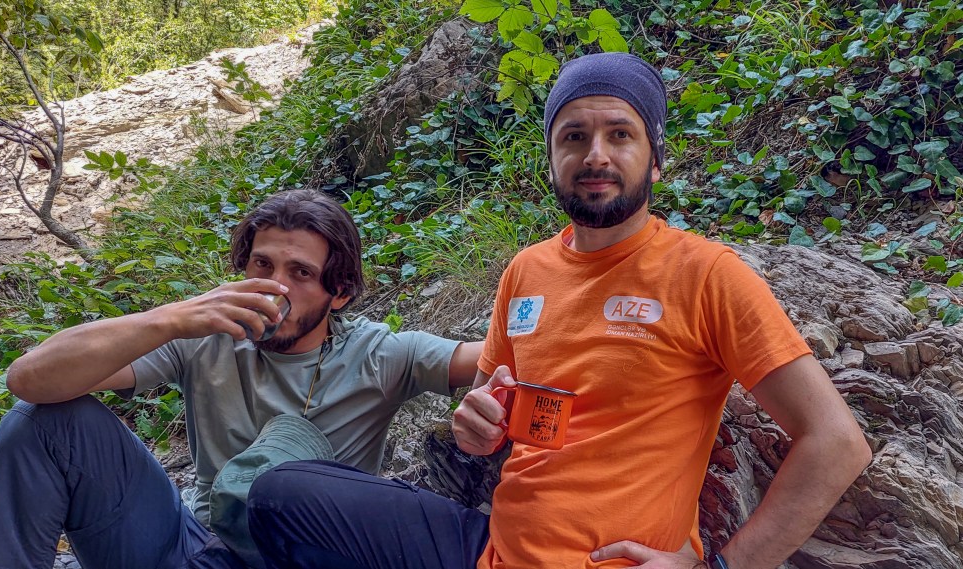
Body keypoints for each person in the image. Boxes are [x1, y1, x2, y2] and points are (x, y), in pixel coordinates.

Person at [244, 52, 872, 569]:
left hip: (605, 562)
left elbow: (838, 443)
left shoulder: (706, 274)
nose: (595, 154)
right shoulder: (527, 271)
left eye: (619, 134)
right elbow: (490, 407)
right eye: (574, 136)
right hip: (491, 549)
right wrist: (475, 426)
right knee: (280, 493)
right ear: (551, 159)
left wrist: (723, 568)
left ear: (655, 158)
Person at [0, 189, 482, 569]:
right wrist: (170, 318)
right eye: (262, 264)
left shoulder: (380, 354)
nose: (275, 286)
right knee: (42, 421)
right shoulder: (206, 335)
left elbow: (496, 357)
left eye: (300, 273)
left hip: (298, 556)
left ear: (339, 292)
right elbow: (29, 379)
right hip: (192, 548)